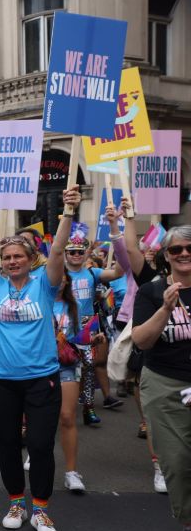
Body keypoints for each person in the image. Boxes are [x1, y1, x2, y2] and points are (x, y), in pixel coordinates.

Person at [0, 187, 69, 531]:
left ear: (31, 258)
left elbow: (59, 251)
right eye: (7, 257)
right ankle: (16, 503)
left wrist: (67, 211)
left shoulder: (45, 285)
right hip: (3, 380)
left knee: (38, 444)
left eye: (18, 256)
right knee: (7, 442)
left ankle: (41, 509)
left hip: (42, 379)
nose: (12, 262)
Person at [132, 225, 191, 531]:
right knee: (178, 461)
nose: (183, 254)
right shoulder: (153, 293)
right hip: (164, 384)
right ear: (166, 257)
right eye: (176, 250)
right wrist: (166, 309)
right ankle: (188, 524)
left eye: (189, 248)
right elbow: (141, 341)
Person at [106, 201, 167, 493]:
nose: (182, 255)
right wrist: (127, 218)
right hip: (146, 343)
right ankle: (160, 466)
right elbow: (127, 250)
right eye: (176, 249)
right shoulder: (150, 280)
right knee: (154, 409)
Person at [63, 236, 123, 425]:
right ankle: (59, 407)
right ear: (65, 254)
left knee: (88, 367)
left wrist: (119, 242)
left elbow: (119, 272)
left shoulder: (92, 272)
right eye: (72, 251)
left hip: (87, 326)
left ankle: (88, 408)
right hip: (62, 325)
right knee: (60, 367)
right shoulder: (58, 273)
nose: (76, 255)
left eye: (80, 252)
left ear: (86, 253)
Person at [51, 269, 86, 493]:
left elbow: (78, 337)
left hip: (66, 365)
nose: (60, 280)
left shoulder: (74, 307)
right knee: (39, 418)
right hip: (39, 366)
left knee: (67, 417)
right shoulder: (38, 300)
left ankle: (71, 472)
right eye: (57, 276)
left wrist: (91, 338)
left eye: (64, 277)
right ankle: (37, 455)